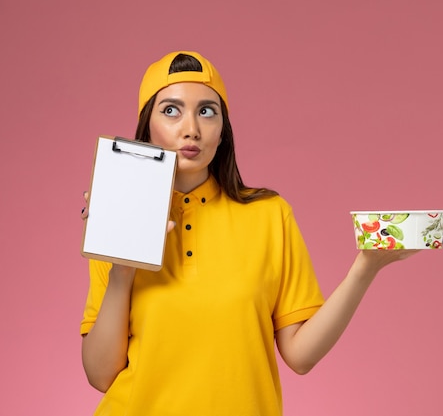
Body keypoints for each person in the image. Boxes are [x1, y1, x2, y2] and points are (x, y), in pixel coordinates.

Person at [80, 50, 417, 415]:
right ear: (147, 126)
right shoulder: (120, 216)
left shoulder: (269, 215)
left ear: (223, 131)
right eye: (171, 110)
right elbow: (100, 375)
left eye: (207, 111)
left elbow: (301, 356)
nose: (191, 128)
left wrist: (366, 267)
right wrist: (123, 266)